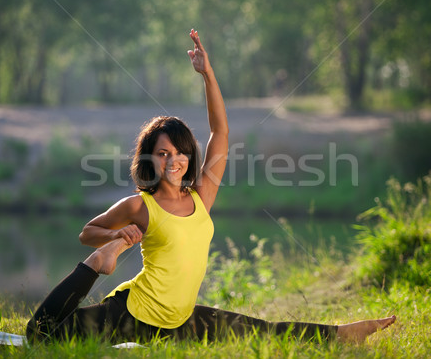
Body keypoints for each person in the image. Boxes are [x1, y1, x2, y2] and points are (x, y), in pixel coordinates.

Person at [26, 29, 396, 345]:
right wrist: (114, 239)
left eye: (181, 152)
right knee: (40, 337)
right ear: (149, 160)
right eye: (163, 153)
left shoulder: (202, 198)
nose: (174, 160)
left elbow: (221, 131)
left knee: (261, 332)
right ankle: (94, 267)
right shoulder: (141, 205)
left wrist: (208, 75)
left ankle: (342, 334)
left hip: (180, 320)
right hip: (131, 314)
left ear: (190, 155)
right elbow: (87, 232)